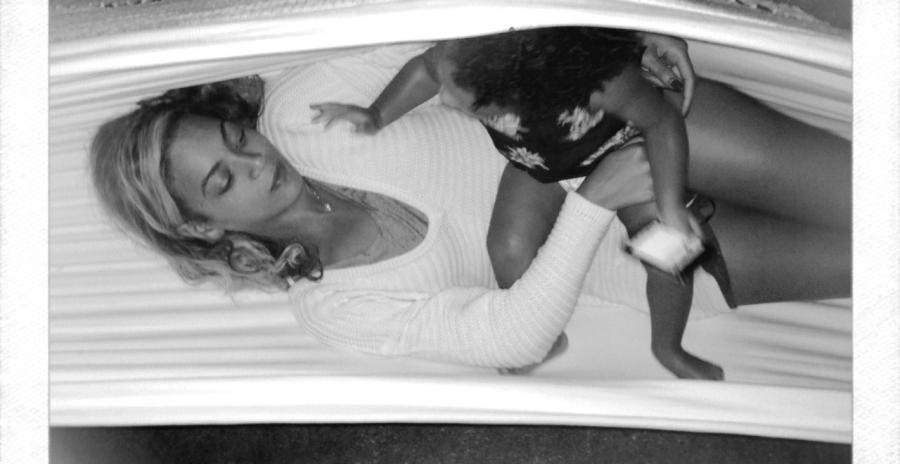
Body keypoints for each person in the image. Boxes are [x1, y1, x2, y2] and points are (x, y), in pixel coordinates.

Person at [89, 38, 850, 377]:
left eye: (236, 138)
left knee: (866, 187)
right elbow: (512, 334)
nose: (256, 161)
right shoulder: (337, 308)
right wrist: (595, 204)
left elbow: (459, 36)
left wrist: (622, 30)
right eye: (223, 182)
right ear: (201, 226)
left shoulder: (301, 111)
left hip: (610, 120)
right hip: (644, 263)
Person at [310, 27, 723, 379]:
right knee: (507, 249)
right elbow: (426, 69)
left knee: (671, 250)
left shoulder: (602, 81)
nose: (446, 101)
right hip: (540, 164)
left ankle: (668, 346)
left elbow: (661, 121)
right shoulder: (464, 54)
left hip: (623, 152)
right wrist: (377, 115)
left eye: (468, 101)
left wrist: (670, 203)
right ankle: (547, 340)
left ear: (525, 90)